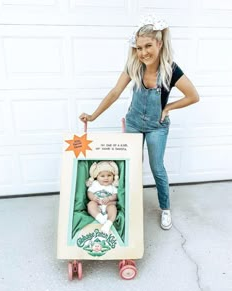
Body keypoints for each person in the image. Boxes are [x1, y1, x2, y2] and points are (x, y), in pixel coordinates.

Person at [80, 14, 199, 230]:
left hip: (157, 127)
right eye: (138, 47)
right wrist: (94, 115)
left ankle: (165, 208)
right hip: (134, 123)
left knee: (157, 167)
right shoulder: (134, 65)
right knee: (130, 166)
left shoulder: (171, 70)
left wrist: (168, 108)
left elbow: (193, 95)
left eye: (148, 46)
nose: (143, 52)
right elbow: (115, 92)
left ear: (159, 44)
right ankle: (125, 205)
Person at [86, 161, 119, 234]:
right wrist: (94, 198)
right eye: (102, 176)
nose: (106, 178)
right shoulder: (95, 184)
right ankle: (100, 218)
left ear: (113, 176)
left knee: (113, 208)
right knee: (91, 204)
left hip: (108, 204)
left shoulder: (112, 185)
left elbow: (115, 195)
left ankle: (109, 222)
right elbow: (90, 193)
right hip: (97, 204)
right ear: (96, 177)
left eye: (109, 175)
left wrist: (109, 198)